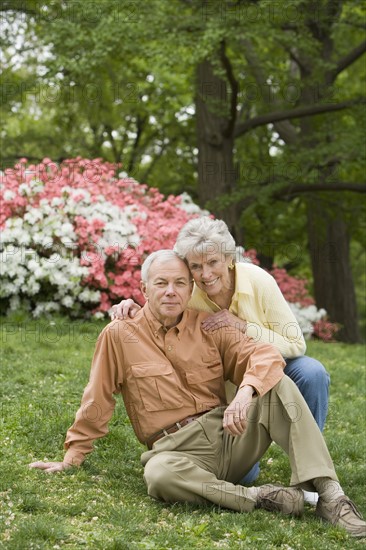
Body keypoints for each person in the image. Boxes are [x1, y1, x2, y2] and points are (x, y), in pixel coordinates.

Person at [30, 250, 365, 538]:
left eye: (179, 283)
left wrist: (246, 392)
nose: (171, 292)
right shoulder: (119, 335)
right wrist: (73, 457)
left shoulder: (209, 325)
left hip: (230, 433)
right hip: (178, 452)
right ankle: (262, 496)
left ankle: (330, 496)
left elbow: (265, 356)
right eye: (161, 283)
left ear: (190, 288)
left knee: (278, 384)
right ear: (144, 288)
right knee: (159, 475)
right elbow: (97, 398)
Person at [111, 217, 330, 489]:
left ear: (229, 258)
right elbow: (159, 302)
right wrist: (129, 304)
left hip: (266, 368)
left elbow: (295, 344)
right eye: (196, 266)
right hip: (221, 395)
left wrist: (243, 326)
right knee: (245, 477)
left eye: (213, 262)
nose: (205, 274)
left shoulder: (259, 281)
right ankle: (243, 450)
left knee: (312, 372)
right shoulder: (189, 294)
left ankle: (311, 471)